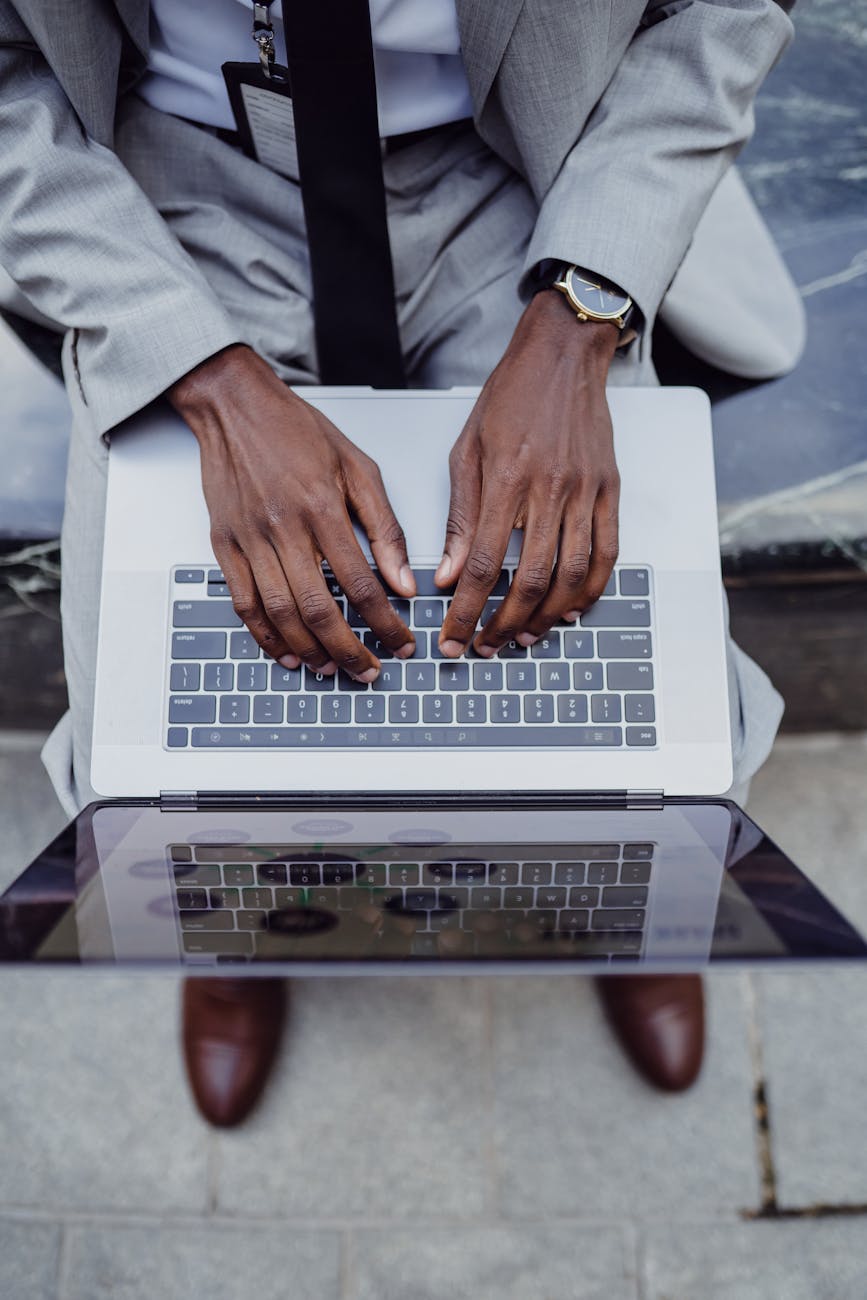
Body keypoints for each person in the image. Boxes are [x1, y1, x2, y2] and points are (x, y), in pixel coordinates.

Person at [0, 0, 802, 1126]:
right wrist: (203, 376)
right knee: (151, 713)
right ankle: (232, 934)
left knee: (632, 664)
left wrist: (584, 308)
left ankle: (634, 887)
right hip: (165, 189)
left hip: (519, 155)